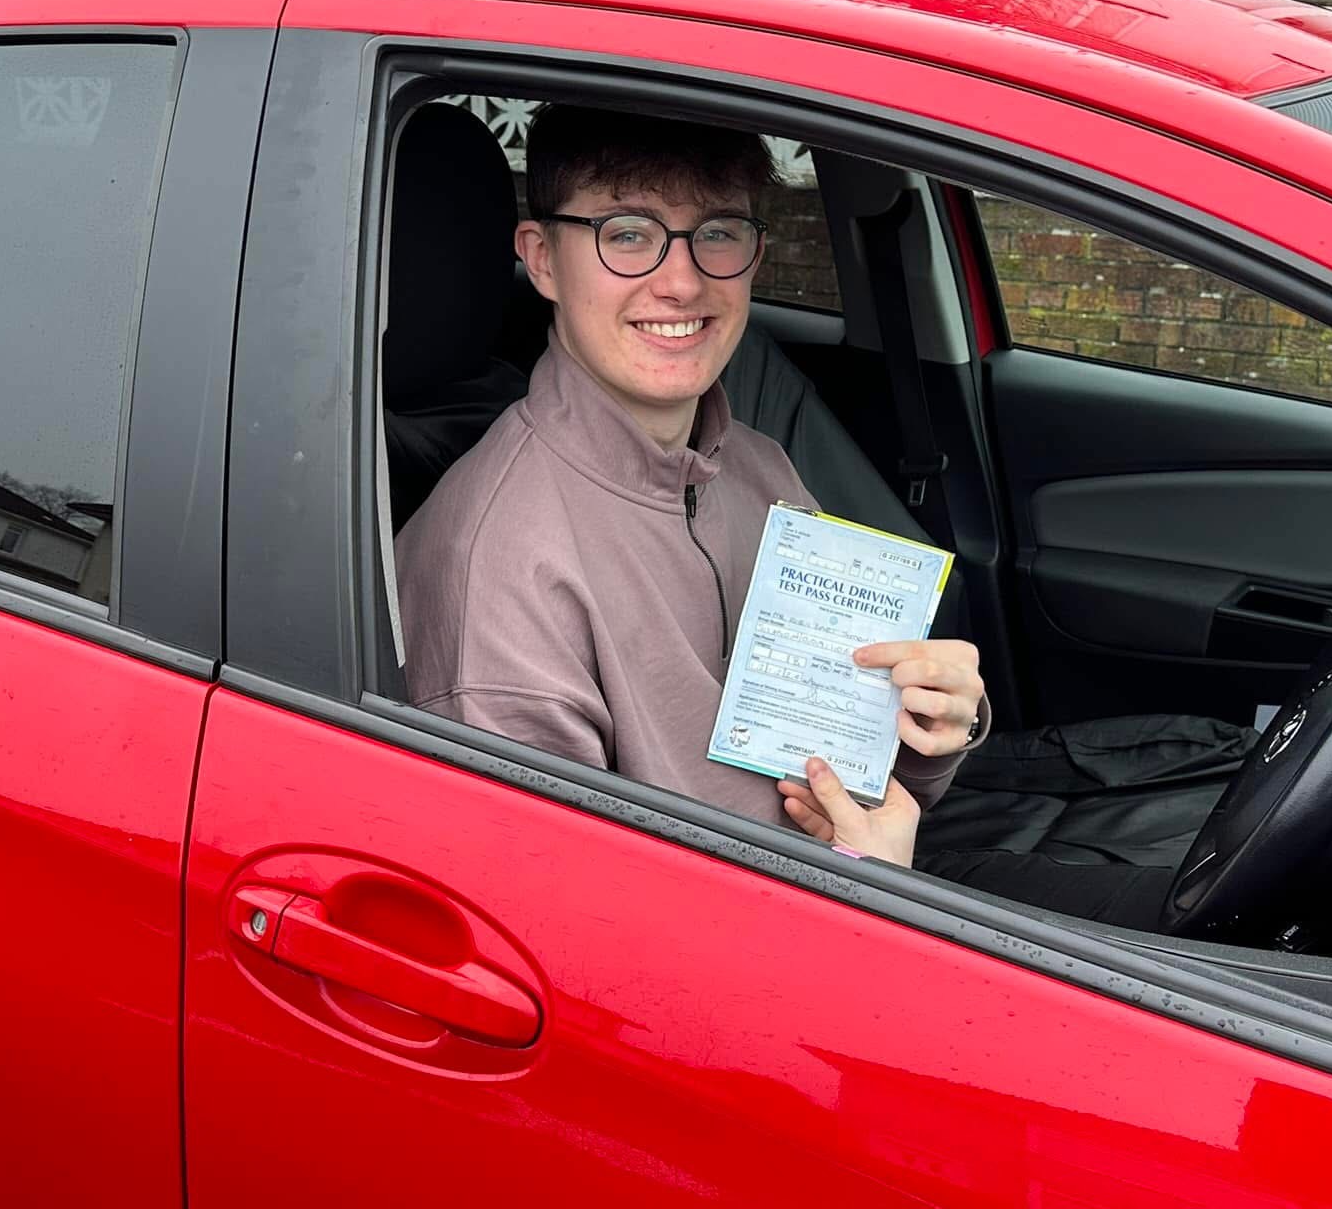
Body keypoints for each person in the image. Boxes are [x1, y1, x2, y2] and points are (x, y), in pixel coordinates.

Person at [395, 105, 984, 867]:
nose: (682, 282)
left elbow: (849, 772)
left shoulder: (755, 464)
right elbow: (572, 933)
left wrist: (933, 734)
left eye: (717, 233)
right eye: (628, 234)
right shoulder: (500, 572)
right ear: (541, 259)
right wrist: (872, 891)